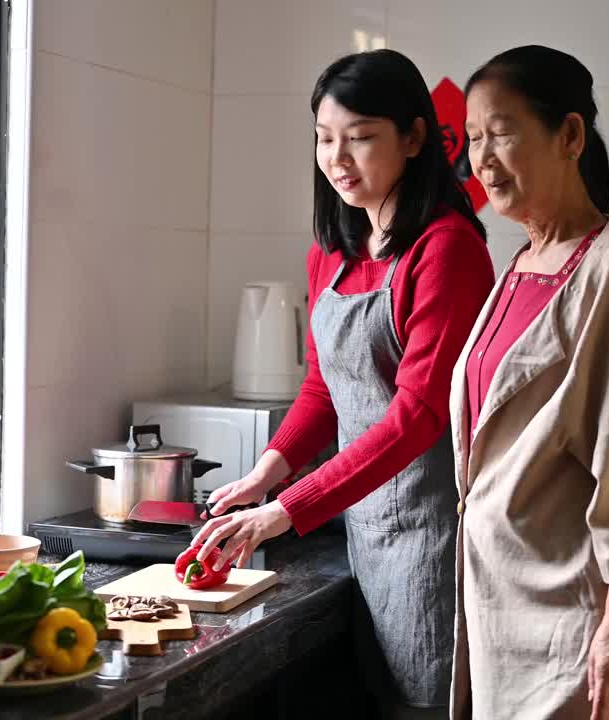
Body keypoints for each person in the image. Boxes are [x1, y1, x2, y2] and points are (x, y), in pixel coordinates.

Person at [188, 49, 494, 717]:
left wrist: (285, 510)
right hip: (362, 533)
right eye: (325, 140)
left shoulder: (448, 249)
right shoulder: (331, 250)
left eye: (360, 139)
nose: (338, 159)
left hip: (433, 538)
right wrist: (264, 475)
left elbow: (417, 417)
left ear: (414, 139)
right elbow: (324, 393)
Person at [450, 44, 609, 719]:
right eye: (474, 138)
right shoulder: (517, 264)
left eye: (501, 133)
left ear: (569, 135)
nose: (482, 158)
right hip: (506, 608)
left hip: (580, 613)